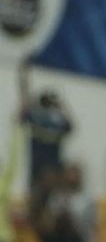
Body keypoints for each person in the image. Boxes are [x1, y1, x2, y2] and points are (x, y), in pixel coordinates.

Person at [17, 58, 74, 189]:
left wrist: (62, 107)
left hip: (52, 170)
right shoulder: (38, 117)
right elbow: (22, 113)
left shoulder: (55, 120)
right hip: (39, 167)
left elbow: (71, 128)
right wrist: (24, 77)